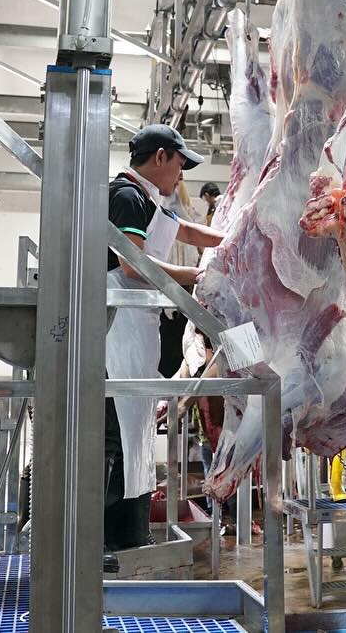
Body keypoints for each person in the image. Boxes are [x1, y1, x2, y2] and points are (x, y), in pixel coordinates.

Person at [105, 125, 224, 551]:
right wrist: (193, 275)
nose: (182, 174)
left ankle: (128, 539)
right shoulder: (126, 196)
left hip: (135, 330)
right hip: (115, 331)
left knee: (133, 437)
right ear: (160, 157)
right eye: (180, 163)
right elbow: (132, 263)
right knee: (115, 440)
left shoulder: (147, 200)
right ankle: (103, 545)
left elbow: (189, 233)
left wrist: (236, 241)